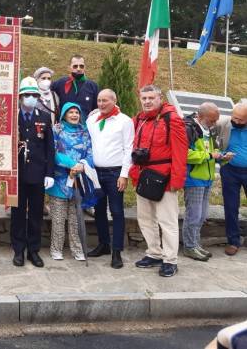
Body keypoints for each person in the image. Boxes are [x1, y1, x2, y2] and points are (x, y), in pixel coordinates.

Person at [130, 85, 187, 277]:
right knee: (145, 218)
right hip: (143, 175)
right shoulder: (139, 120)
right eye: (144, 98)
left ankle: (170, 260)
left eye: (151, 98)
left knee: (167, 220)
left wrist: (177, 180)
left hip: (165, 176)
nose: (147, 101)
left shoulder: (172, 119)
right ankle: (154, 252)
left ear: (159, 97)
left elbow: (180, 152)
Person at [86, 89, 134, 269]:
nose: (101, 104)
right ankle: (104, 244)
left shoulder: (124, 121)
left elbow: (129, 149)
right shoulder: (92, 119)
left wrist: (124, 174)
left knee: (116, 212)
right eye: (99, 100)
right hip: (96, 172)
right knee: (98, 210)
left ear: (114, 100)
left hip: (115, 173)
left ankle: (116, 251)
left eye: (105, 100)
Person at [12, 77, 55, 267]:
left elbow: (49, 148)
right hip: (17, 174)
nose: (30, 98)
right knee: (18, 214)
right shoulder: (12, 117)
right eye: (27, 95)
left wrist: (50, 173)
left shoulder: (44, 117)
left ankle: (34, 251)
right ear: (20, 97)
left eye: (34, 95)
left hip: (38, 174)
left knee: (36, 214)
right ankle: (18, 250)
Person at [48, 102, 94, 261]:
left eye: (77, 112)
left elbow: (90, 153)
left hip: (79, 180)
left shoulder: (84, 131)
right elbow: (52, 152)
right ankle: (56, 249)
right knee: (58, 220)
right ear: (64, 114)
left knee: (76, 220)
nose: (74, 115)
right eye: (71, 112)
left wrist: (81, 165)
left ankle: (77, 249)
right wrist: (70, 164)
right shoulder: (57, 130)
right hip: (59, 181)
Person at [182, 102, 222, 262]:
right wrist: (209, 156)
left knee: (202, 215)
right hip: (194, 179)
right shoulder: (189, 128)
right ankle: (189, 247)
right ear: (200, 116)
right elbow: (185, 154)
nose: (214, 124)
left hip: (207, 178)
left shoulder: (208, 130)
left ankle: (195, 244)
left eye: (216, 120)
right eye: (212, 120)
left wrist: (221, 155)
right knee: (194, 215)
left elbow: (212, 150)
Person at [217, 102, 247, 256]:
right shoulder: (223, 123)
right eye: (235, 117)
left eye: (241, 120)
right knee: (230, 206)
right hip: (229, 170)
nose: (236, 121)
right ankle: (233, 241)